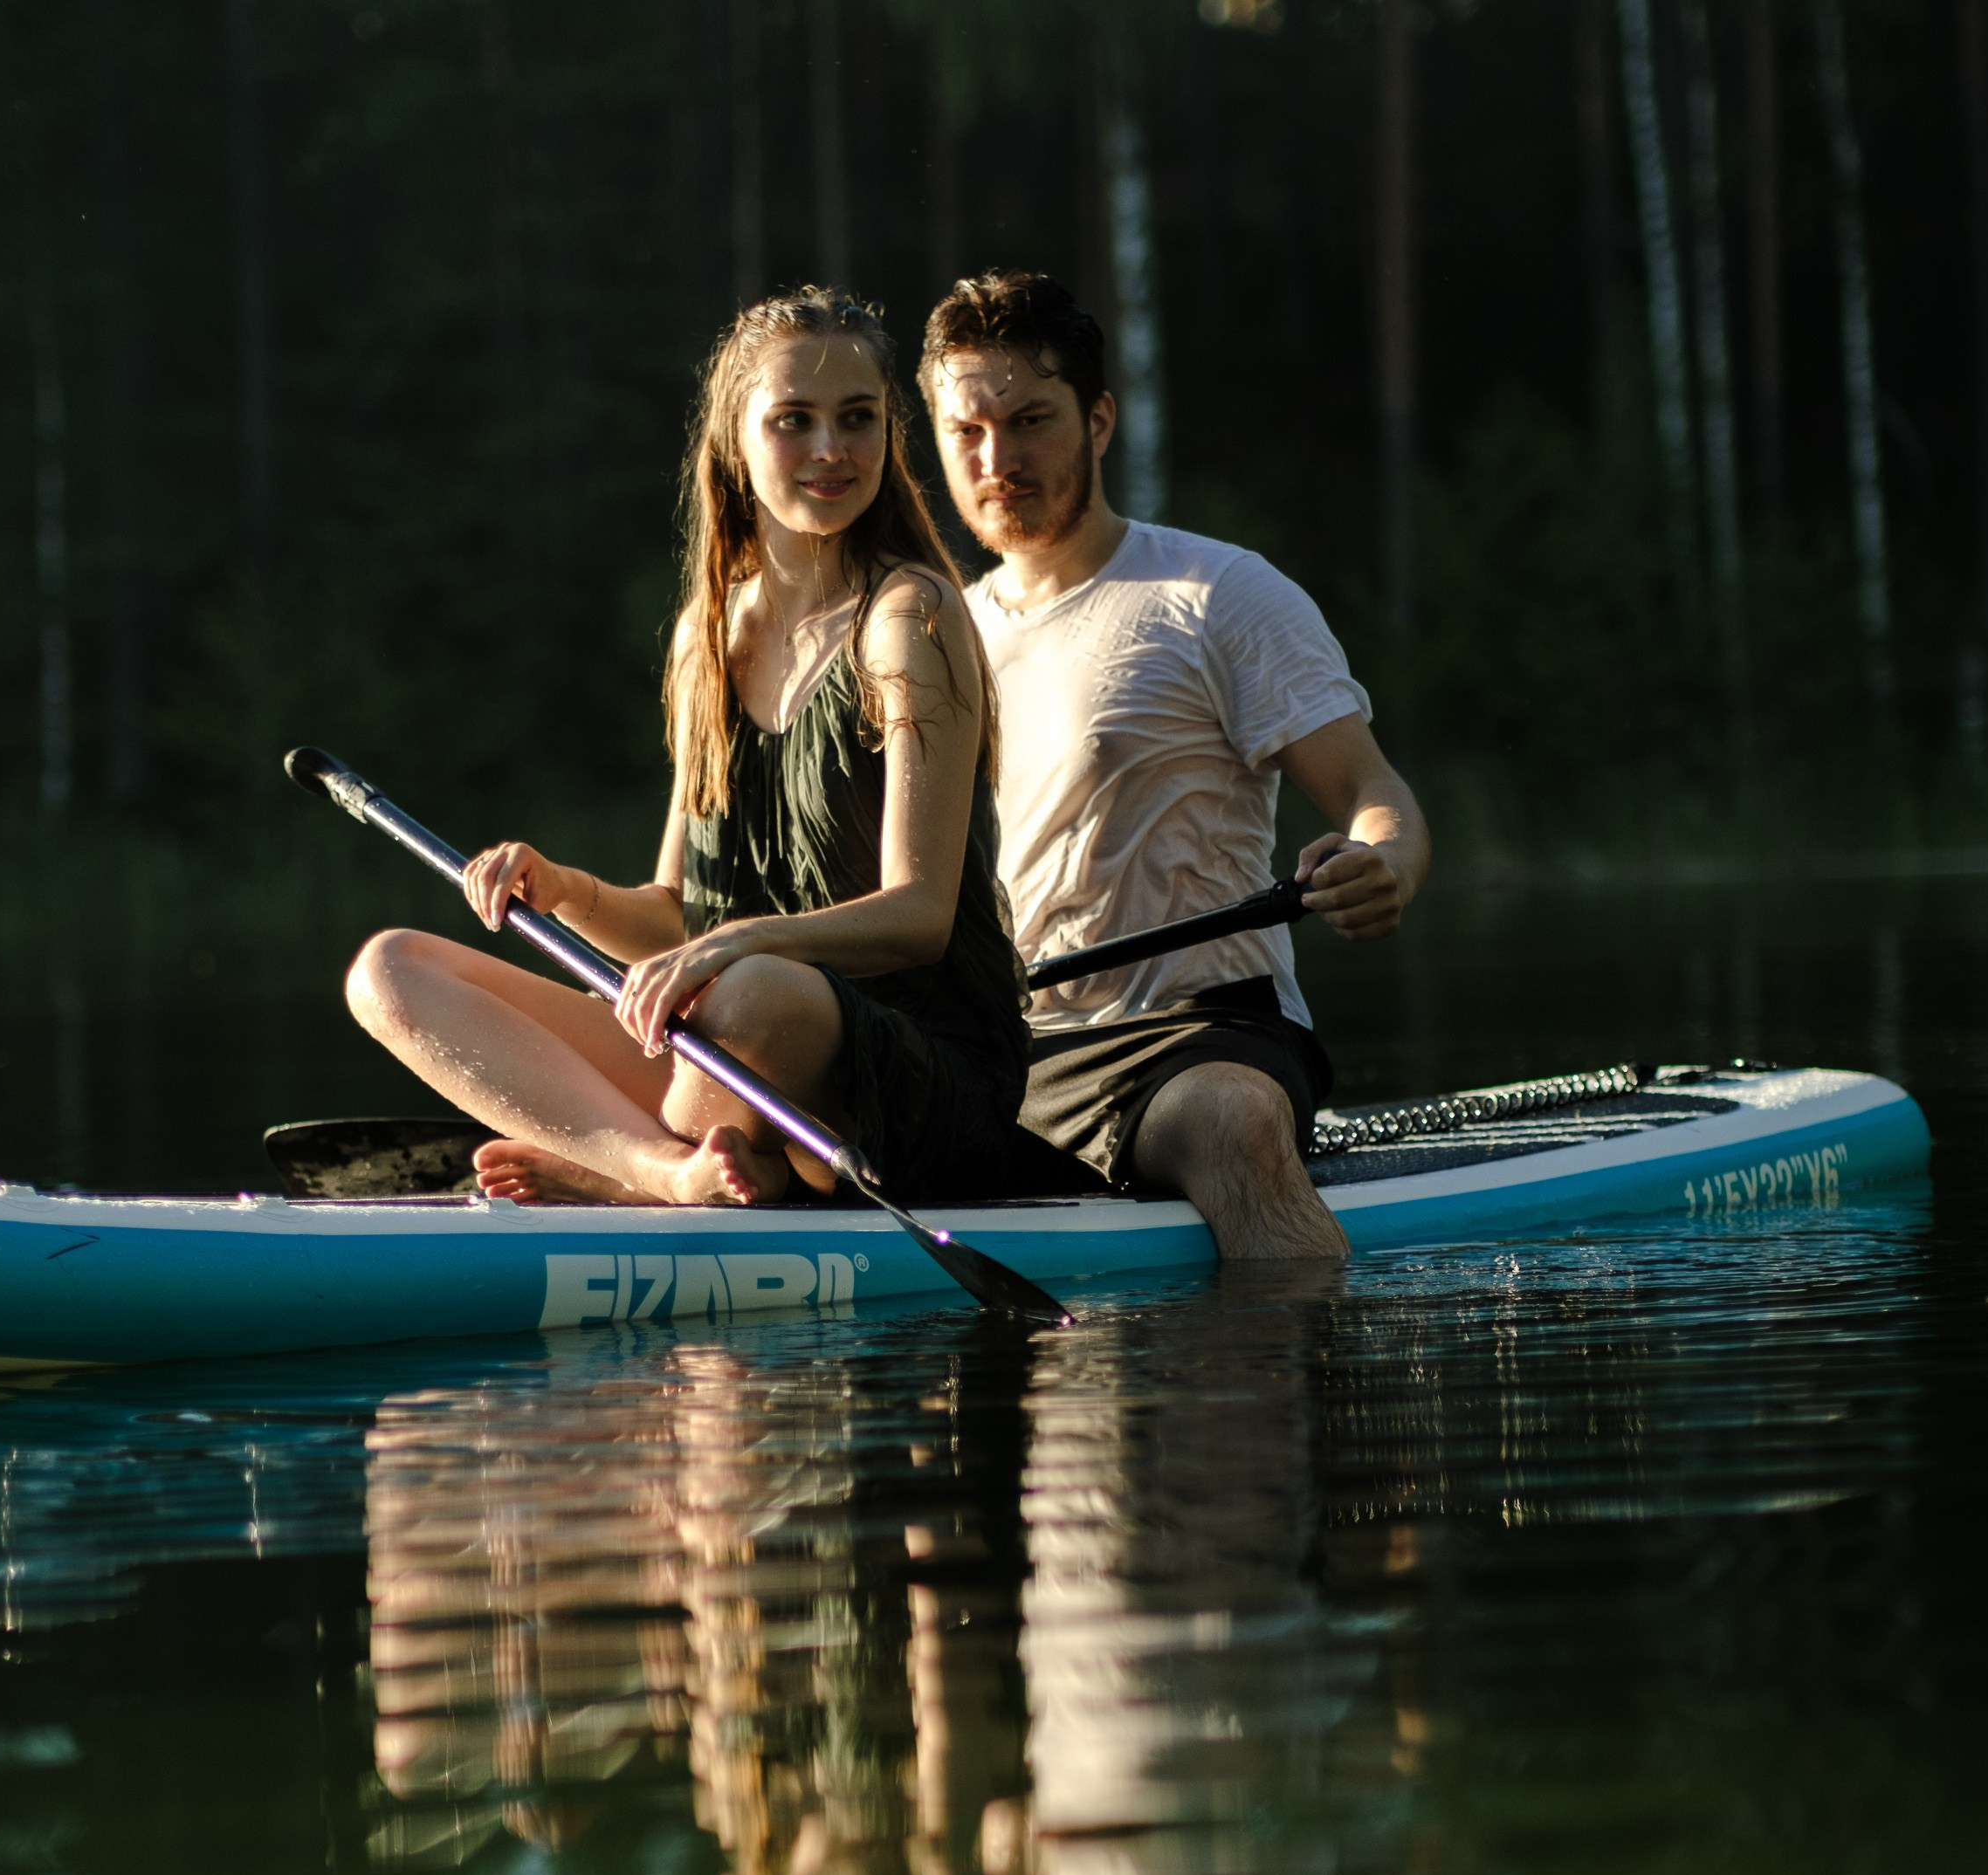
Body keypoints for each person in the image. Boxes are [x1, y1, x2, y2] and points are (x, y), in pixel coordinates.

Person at [345, 288, 1035, 1211]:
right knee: (389, 970)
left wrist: (737, 946)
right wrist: (561, 890)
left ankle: (610, 1166)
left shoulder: (911, 616)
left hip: (912, 1085)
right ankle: (662, 1171)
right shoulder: (706, 636)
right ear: (736, 442)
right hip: (725, 1057)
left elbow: (920, 917)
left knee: (750, 993)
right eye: (795, 420)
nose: (831, 449)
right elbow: (674, 916)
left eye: (857, 419)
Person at [920, 268, 1430, 1260]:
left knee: (1235, 1122)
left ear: (1099, 420)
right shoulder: (933, 634)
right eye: (967, 433)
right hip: (1003, 1050)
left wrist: (1385, 866)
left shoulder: (1218, 593)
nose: (998, 459)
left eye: (1031, 421)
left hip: (1197, 1036)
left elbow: (1376, 795)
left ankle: (1284, 1383)